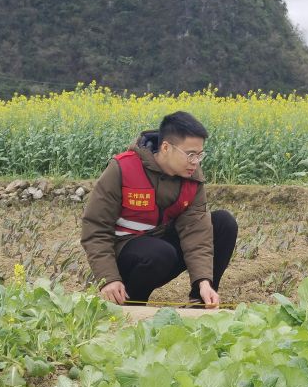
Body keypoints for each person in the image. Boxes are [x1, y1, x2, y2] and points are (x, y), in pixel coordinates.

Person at [81, 111, 237, 307]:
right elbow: (95, 227)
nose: (195, 162)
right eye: (190, 155)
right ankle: (130, 303)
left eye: (199, 155)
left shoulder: (193, 178)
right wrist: (108, 278)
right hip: (127, 252)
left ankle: (201, 301)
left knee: (223, 223)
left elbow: (197, 232)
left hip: (162, 247)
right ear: (165, 147)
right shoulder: (123, 168)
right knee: (159, 253)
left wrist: (204, 281)